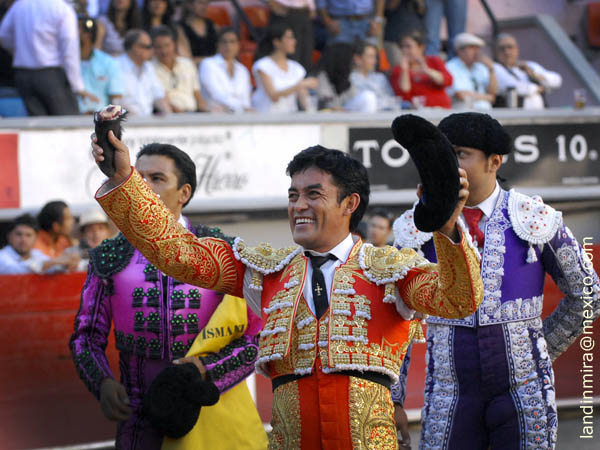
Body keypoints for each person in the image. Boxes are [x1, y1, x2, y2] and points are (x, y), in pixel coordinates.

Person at [90, 118, 484, 448]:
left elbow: (458, 299)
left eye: (314, 194)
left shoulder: (390, 270)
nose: (298, 206)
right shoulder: (265, 271)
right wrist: (127, 179)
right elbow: (178, 253)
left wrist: (448, 229)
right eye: (293, 194)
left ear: (350, 204)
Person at [392, 112, 600, 450]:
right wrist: (394, 397)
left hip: (523, 389)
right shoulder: (414, 227)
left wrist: (539, 347)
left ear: (494, 161)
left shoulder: (533, 216)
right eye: (443, 153)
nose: (448, 163)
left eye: (459, 153)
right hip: (449, 391)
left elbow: (587, 293)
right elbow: (395, 315)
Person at [71, 142, 263, 450]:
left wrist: (206, 370)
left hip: (213, 406)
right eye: (139, 177)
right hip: (139, 413)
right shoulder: (109, 256)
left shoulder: (222, 250)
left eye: (157, 178)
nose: (144, 186)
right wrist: (102, 382)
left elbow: (256, 338)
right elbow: (86, 337)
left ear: (184, 193)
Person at [0, 0, 94, 116]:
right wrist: (77, 85)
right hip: (50, 75)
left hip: (23, 75)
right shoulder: (61, 8)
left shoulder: (19, 5)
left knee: (38, 123)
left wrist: (19, 52)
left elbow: (4, 35)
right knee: (67, 122)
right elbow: (70, 49)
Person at [252, 23, 318, 113]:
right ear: (277, 42)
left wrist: (312, 108)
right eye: (289, 38)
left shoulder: (296, 68)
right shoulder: (263, 65)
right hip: (266, 117)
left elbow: (303, 97)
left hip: (289, 118)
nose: (294, 41)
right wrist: (300, 85)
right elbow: (273, 96)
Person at [493, 33, 562, 109]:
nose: (507, 52)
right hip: (515, 114)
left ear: (517, 49)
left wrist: (533, 74)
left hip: (540, 113)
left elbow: (557, 80)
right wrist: (538, 88)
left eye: (510, 47)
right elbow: (510, 86)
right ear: (496, 52)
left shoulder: (530, 65)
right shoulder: (495, 67)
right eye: (502, 48)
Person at [151, 25, 210, 112]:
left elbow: (197, 95)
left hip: (193, 114)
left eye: (167, 45)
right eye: (159, 47)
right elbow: (162, 101)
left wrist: (207, 112)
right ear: (153, 48)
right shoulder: (150, 69)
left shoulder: (187, 64)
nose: (164, 51)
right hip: (169, 116)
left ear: (174, 45)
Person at [390, 30, 452, 108]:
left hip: (442, 109)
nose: (404, 50)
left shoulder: (434, 61)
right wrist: (405, 70)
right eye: (402, 47)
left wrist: (427, 70)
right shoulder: (398, 69)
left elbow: (447, 81)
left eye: (408, 46)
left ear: (421, 47)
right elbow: (404, 93)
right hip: (418, 112)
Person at [0, 214, 78, 274]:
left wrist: (66, 263)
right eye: (18, 234)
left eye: (28, 235)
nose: (23, 239)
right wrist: (52, 262)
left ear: (35, 238)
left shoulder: (36, 254)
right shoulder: (2, 256)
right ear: (9, 236)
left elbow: (52, 267)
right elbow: (16, 269)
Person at [117, 29, 171, 116]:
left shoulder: (149, 67)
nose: (150, 50)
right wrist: (139, 121)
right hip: (125, 121)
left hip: (148, 121)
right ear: (133, 47)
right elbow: (117, 101)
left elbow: (159, 97)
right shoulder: (116, 66)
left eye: (150, 47)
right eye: (146, 47)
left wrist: (169, 117)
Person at [198, 28, 252, 113]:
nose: (228, 46)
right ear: (218, 45)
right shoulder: (208, 64)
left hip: (240, 116)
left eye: (232, 42)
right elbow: (217, 95)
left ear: (238, 45)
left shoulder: (243, 70)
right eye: (224, 42)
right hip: (214, 117)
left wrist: (244, 109)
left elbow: (246, 100)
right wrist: (242, 108)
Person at [79, 17, 123, 114]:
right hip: (70, 118)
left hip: (101, 121)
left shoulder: (108, 62)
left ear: (89, 35)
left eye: (79, 29)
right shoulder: (62, 63)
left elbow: (116, 98)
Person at [446, 32, 496, 110]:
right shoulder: (450, 67)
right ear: (460, 51)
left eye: (478, 48)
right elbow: (460, 95)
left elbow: (493, 96)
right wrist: (486, 97)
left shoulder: (481, 67)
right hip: (463, 115)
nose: (477, 52)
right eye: (472, 48)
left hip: (486, 113)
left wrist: (491, 70)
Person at [267, 0, 315, 71]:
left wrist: (312, 8)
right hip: (285, 13)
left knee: (306, 54)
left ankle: (304, 79)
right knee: (291, 53)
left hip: (304, 13)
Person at [349, 40, 396, 112]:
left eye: (375, 57)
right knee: (368, 97)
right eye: (370, 57)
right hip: (356, 120)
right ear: (357, 59)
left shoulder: (380, 78)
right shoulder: (349, 78)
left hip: (382, 118)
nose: (374, 61)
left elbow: (392, 100)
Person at [317, 0, 386, 45]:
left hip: (367, 22)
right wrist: (328, 22)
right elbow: (320, 3)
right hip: (339, 23)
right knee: (338, 60)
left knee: (369, 59)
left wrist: (378, 20)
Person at [382, 0, 425, 67]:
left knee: (415, 67)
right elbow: (387, 9)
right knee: (397, 68)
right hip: (394, 37)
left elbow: (423, 11)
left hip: (414, 36)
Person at [177, 0, 218, 66]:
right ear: (189, 5)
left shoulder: (212, 25)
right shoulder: (180, 28)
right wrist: (214, 60)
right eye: (200, 3)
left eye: (206, 3)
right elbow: (187, 60)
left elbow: (221, 52)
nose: (204, 7)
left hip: (215, 70)